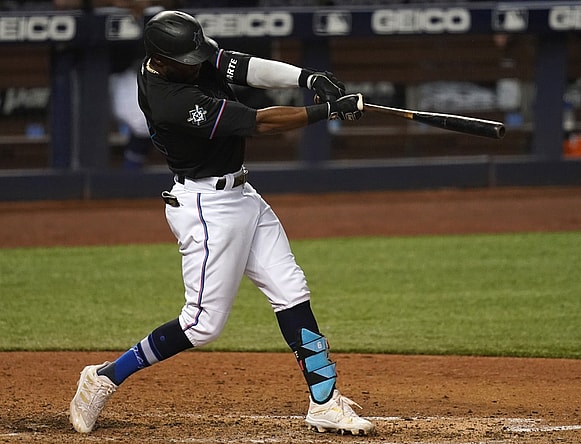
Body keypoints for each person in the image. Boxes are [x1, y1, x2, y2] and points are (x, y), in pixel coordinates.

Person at [68, 10, 372, 436]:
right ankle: (104, 376)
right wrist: (327, 112)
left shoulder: (181, 57)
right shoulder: (170, 101)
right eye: (189, 59)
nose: (199, 62)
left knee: (291, 290)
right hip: (207, 209)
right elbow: (259, 121)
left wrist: (308, 78)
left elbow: (241, 66)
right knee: (202, 325)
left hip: (243, 195)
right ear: (164, 60)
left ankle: (324, 401)